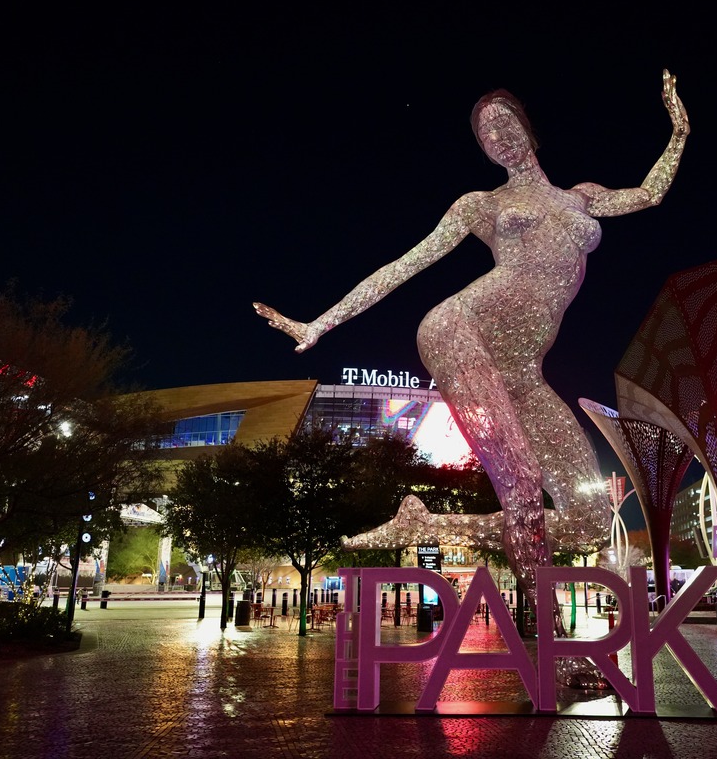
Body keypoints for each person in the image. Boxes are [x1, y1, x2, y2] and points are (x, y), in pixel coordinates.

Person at [255, 71, 689, 630]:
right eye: (485, 137)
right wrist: (320, 323)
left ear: (528, 129)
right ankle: (553, 643)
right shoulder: (481, 204)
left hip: (523, 372)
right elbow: (405, 265)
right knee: (523, 482)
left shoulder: (582, 197)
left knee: (585, 517)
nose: (498, 138)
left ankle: (427, 526)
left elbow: (650, 194)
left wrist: (678, 130)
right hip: (461, 331)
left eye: (504, 123)